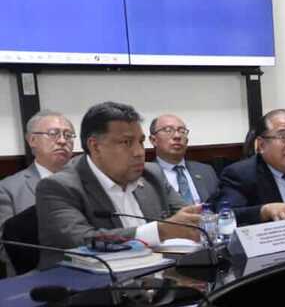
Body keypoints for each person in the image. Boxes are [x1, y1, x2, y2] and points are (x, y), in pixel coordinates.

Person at [35, 101, 202, 255]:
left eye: (141, 142)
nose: (139, 152)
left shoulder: (152, 174)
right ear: (95, 146)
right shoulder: (59, 187)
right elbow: (80, 241)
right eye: (126, 142)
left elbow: (188, 218)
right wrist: (160, 231)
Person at [1, 111, 76, 272]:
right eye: (53, 134)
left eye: (68, 135)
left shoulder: (86, 183)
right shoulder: (8, 189)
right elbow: (5, 249)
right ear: (32, 140)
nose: (63, 141)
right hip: (37, 279)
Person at [148, 114, 218, 205]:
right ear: (153, 140)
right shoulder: (147, 176)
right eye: (168, 130)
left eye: (182, 131)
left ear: (187, 141)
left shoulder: (206, 171)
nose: (177, 136)